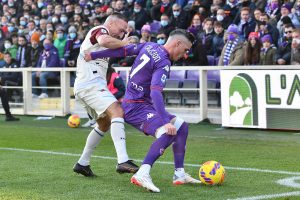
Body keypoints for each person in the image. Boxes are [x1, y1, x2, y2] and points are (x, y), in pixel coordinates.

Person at [85, 29, 200, 193]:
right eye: (186, 50)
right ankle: (142, 174)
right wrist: (166, 122)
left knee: (182, 126)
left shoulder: (150, 46)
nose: (186, 54)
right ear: (178, 43)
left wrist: (95, 55)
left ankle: (179, 174)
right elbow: (155, 92)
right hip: (136, 106)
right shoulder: (164, 61)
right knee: (167, 132)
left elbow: (124, 50)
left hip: (140, 103)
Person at [73, 13, 139, 177]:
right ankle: (123, 160)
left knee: (104, 124)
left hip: (86, 85)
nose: (122, 33)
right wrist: (124, 43)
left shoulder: (108, 42)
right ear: (112, 22)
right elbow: (104, 40)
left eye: (125, 32)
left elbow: (122, 50)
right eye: (121, 29)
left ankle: (82, 163)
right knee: (117, 110)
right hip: (90, 84)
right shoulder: (100, 30)